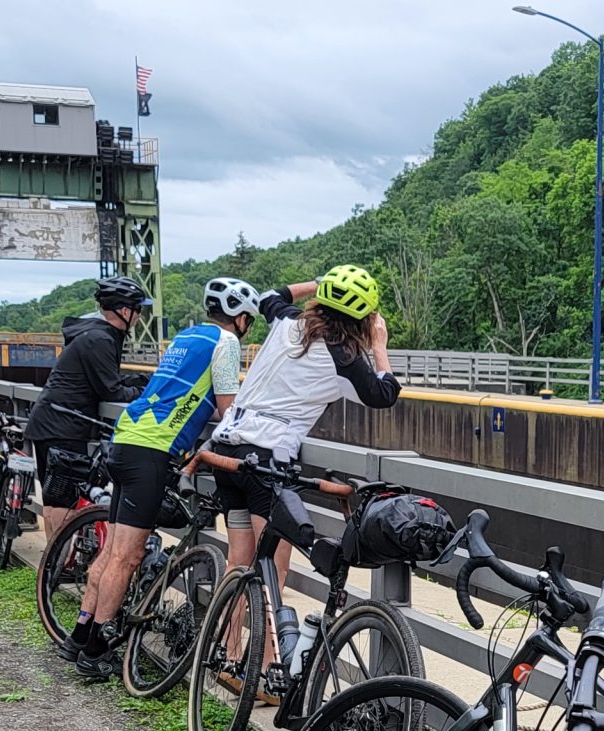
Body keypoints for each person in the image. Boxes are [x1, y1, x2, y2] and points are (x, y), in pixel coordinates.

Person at [68, 278, 260, 679]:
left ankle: (81, 634)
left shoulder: (187, 337)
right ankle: (97, 649)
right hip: (152, 450)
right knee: (128, 555)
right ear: (242, 319)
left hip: (125, 438)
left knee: (113, 549)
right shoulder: (226, 345)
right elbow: (228, 411)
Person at [191, 265, 401, 599]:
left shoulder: (288, 320)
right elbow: (384, 393)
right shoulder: (343, 356)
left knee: (238, 563)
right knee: (272, 570)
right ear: (364, 319)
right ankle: (264, 654)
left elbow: (270, 297)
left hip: (227, 449)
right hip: (264, 459)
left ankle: (225, 650)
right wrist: (379, 345)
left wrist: (317, 283)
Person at [24, 275, 153, 548]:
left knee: (55, 497)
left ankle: (54, 562)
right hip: (65, 425)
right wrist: (146, 393)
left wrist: (138, 382)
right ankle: (57, 562)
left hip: (53, 421)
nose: (141, 316)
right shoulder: (100, 338)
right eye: (139, 309)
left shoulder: (91, 333)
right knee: (63, 498)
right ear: (125, 311)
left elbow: (105, 380)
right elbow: (112, 391)